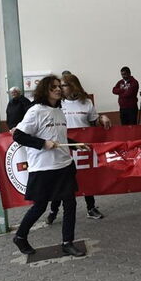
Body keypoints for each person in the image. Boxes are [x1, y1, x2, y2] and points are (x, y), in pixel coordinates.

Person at [11, 75, 85, 258]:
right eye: (54, 87)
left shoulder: (59, 111)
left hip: (64, 165)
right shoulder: (36, 111)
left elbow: (59, 138)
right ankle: (20, 236)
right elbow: (18, 136)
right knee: (40, 207)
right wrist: (43, 143)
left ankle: (67, 242)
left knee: (70, 204)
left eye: (59, 86)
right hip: (43, 168)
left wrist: (75, 144)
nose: (59, 89)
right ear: (45, 90)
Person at [46, 73, 111, 223]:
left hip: (81, 147)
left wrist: (102, 118)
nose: (60, 88)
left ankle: (91, 208)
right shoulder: (57, 103)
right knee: (61, 181)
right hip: (62, 147)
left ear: (73, 86)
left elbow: (94, 121)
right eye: (59, 86)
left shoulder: (86, 103)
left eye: (64, 85)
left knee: (86, 177)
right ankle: (53, 210)